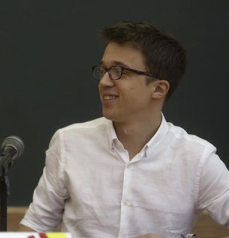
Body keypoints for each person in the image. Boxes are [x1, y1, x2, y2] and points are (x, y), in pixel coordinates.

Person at [18, 21, 229, 238]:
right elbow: (35, 226)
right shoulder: (68, 142)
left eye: (119, 71)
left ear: (158, 88)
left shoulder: (197, 158)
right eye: (104, 70)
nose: (104, 81)